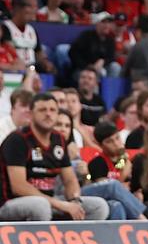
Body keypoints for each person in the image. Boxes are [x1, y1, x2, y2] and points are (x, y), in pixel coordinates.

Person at [0, 93, 109, 221]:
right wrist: (60, 204)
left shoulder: (59, 139)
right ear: (31, 114)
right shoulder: (17, 139)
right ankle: (41, 241)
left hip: (49, 200)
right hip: (12, 203)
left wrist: (75, 201)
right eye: (42, 110)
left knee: (99, 206)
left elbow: (69, 179)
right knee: (41, 205)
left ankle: (76, 240)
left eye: (52, 110)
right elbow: (19, 187)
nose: (48, 114)